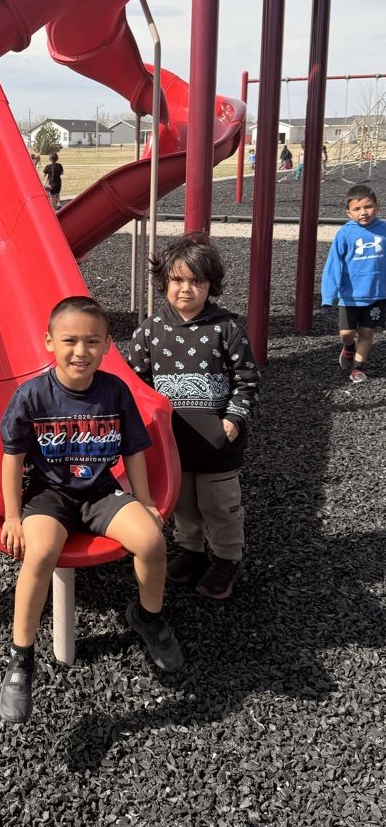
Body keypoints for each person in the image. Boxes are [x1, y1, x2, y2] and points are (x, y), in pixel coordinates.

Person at [0, 296, 183, 723]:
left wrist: (144, 500)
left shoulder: (114, 391)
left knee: (152, 540)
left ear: (106, 345)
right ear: (49, 342)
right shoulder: (33, 396)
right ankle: (21, 658)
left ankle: (148, 617)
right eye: (69, 340)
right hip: (49, 494)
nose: (80, 351)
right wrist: (12, 515)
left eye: (92, 342)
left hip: (100, 491)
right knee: (40, 553)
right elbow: (12, 457)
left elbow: (134, 449)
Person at [129, 232, 260, 601]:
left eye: (196, 281)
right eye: (177, 280)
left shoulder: (227, 328)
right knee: (182, 500)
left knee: (219, 503)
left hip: (219, 439)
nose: (186, 289)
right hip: (171, 441)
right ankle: (191, 548)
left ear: (211, 285)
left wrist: (233, 418)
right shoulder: (150, 331)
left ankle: (226, 557)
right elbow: (136, 382)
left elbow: (248, 379)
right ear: (164, 282)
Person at [321, 185, 386, 384]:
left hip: (377, 294)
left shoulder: (384, 230)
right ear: (348, 213)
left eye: (368, 207)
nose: (363, 212)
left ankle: (358, 368)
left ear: (378, 206)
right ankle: (348, 347)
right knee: (347, 333)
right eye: (357, 209)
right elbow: (333, 264)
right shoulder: (345, 234)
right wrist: (328, 294)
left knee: (367, 332)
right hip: (350, 295)